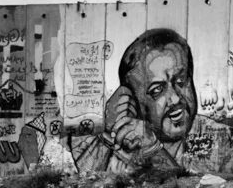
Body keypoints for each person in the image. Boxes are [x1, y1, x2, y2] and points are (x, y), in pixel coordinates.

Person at [72, 28, 202, 173]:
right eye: (157, 90)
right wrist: (109, 133)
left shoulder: (219, 138)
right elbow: (83, 181)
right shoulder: (127, 139)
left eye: (181, 80)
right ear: (133, 100)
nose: (176, 98)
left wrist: (152, 150)